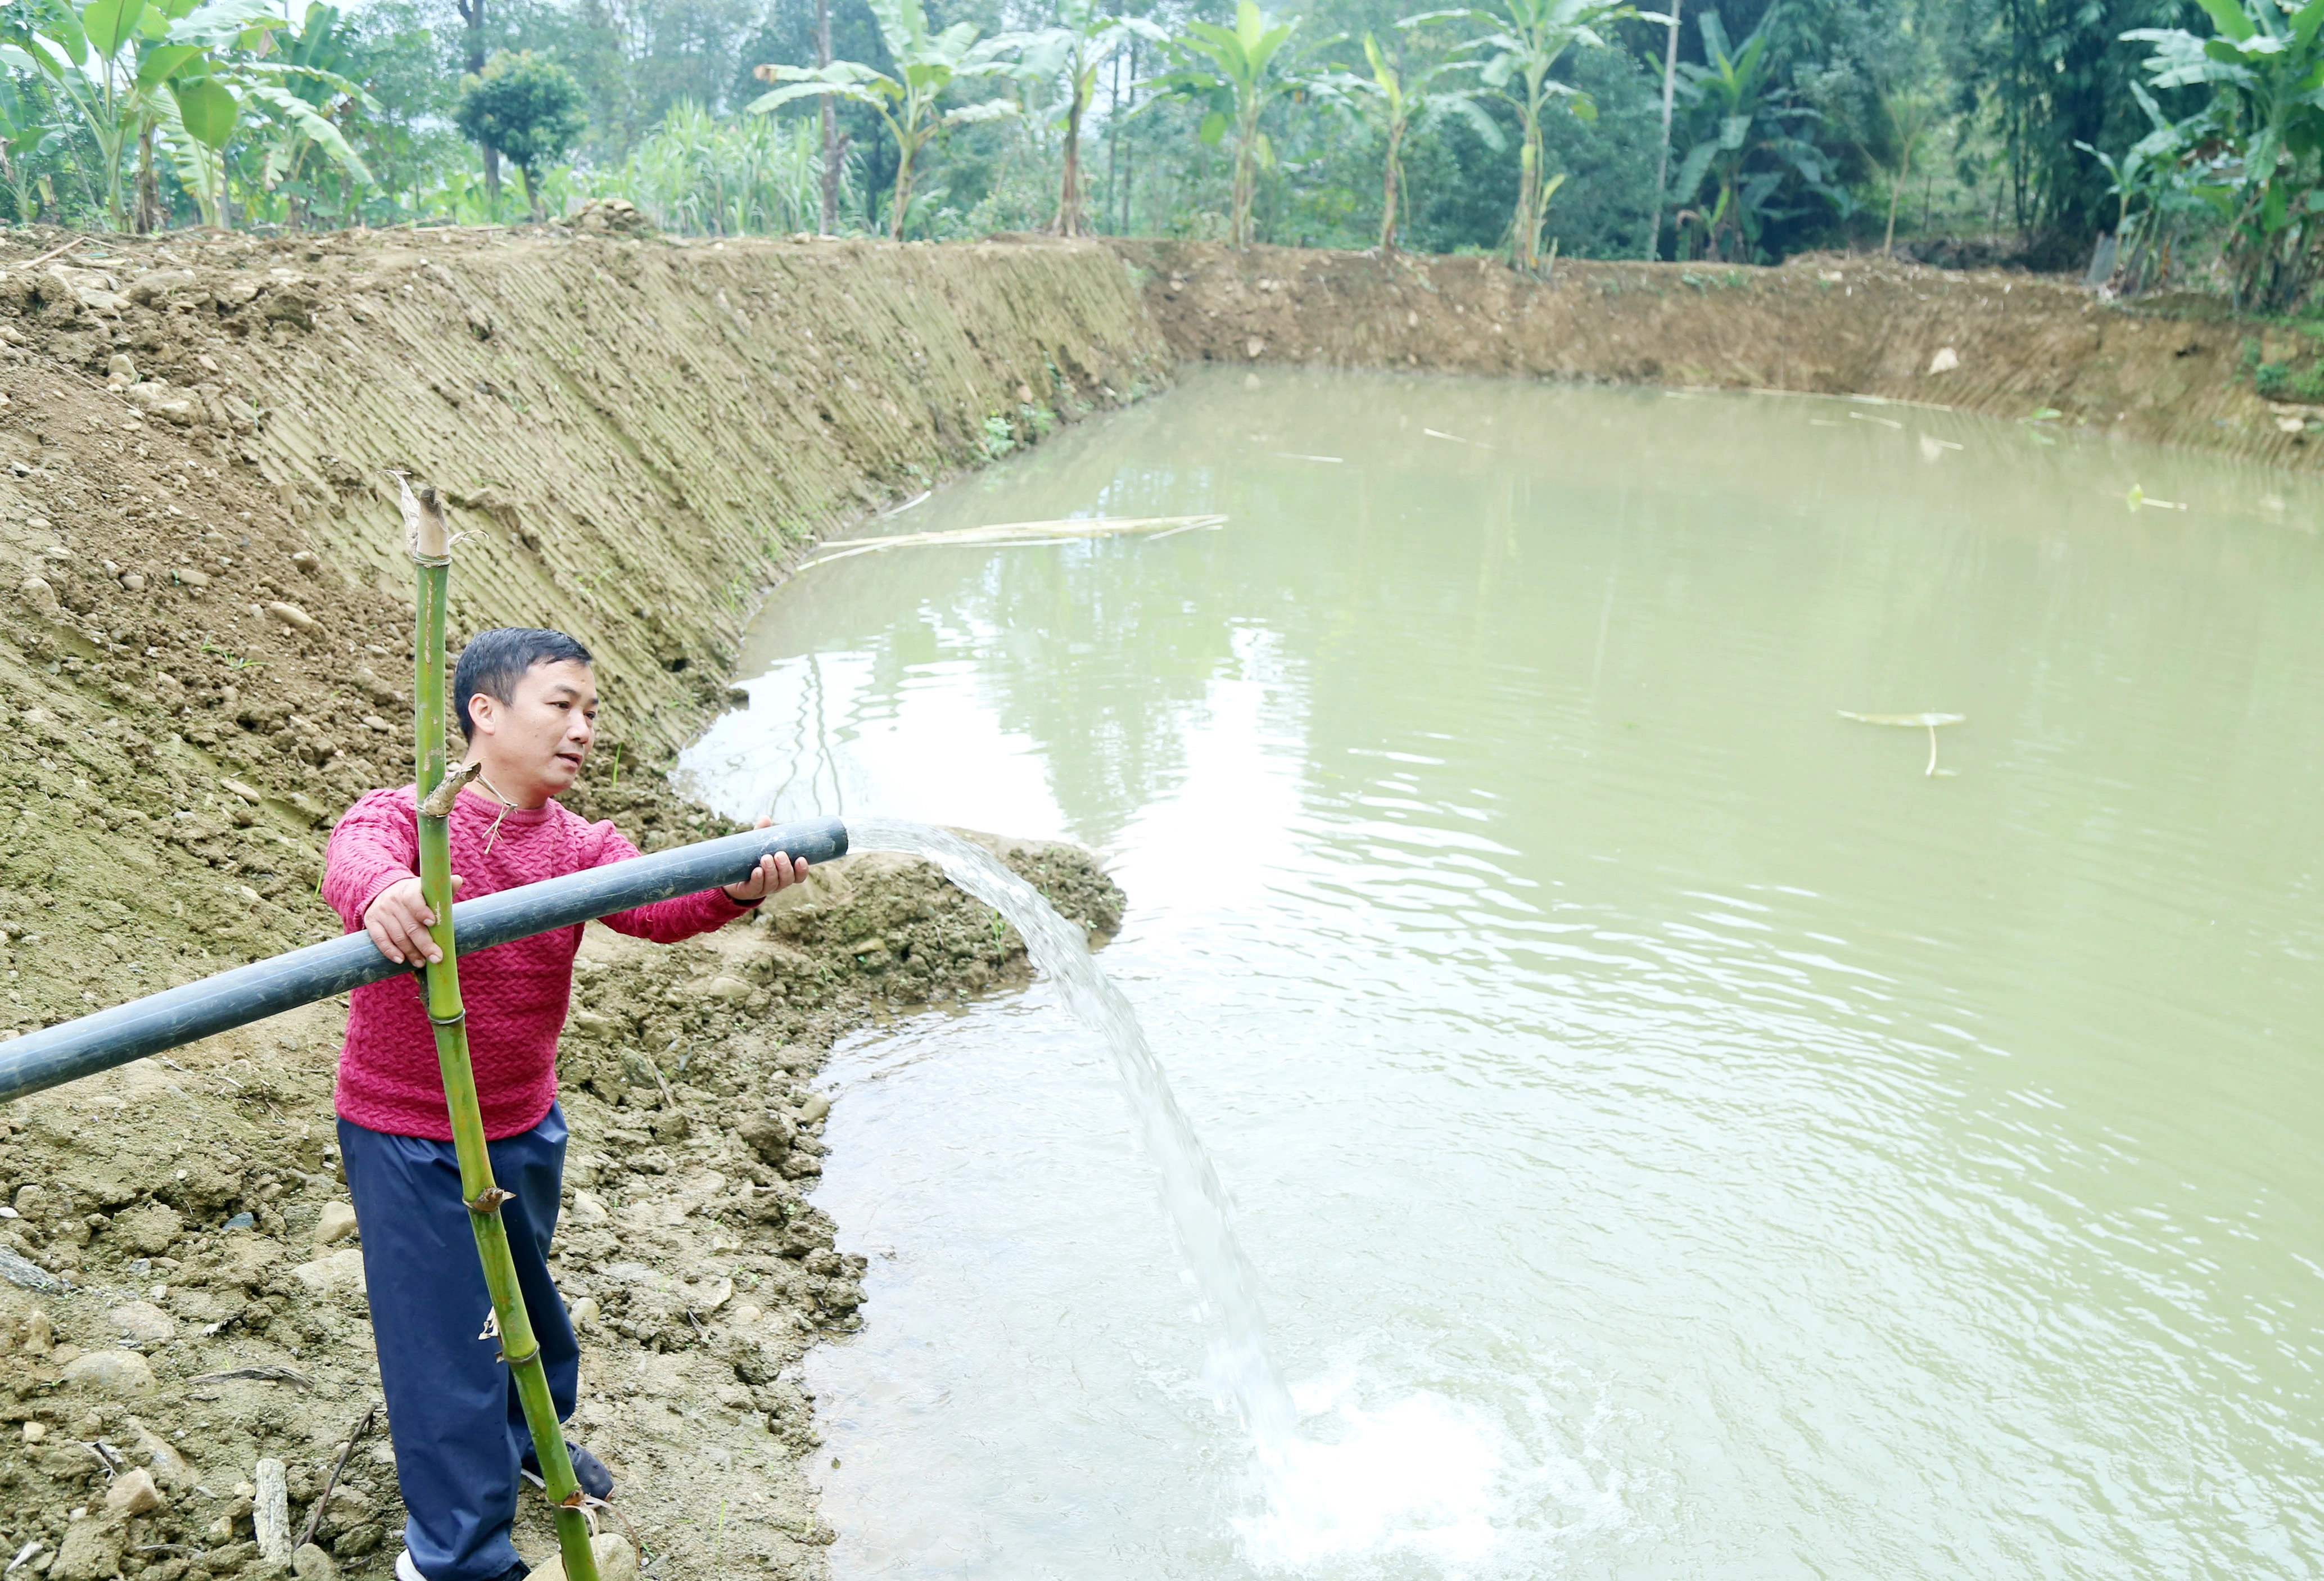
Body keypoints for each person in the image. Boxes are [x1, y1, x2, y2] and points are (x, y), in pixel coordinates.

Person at [321, 627, 808, 1581]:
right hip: (409, 1130)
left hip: (520, 1120)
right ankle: (453, 1556)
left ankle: (528, 1443)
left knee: (524, 1305)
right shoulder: (411, 818)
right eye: (561, 706)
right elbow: (354, 854)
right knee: (445, 1344)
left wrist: (733, 887)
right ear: (485, 711)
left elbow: (654, 907)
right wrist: (382, 891)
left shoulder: (582, 843)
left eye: (591, 712)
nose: (583, 728)